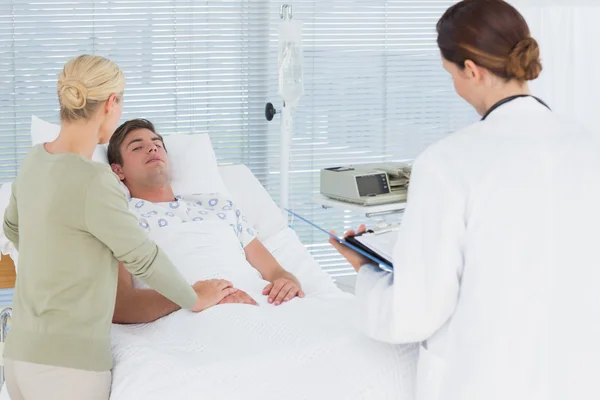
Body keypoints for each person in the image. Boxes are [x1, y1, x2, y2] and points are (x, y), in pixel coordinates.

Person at [329, 1, 600, 399]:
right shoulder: (588, 147)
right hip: (578, 378)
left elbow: (414, 314)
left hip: (483, 381)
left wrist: (367, 274)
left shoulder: (446, 163)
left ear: (470, 70)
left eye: (450, 73)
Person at [2, 55, 238, 400]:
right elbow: (143, 258)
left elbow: (12, 229)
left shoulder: (34, 160)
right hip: (68, 368)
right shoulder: (95, 180)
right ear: (112, 103)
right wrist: (194, 297)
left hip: (20, 356)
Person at [106, 118, 305, 323]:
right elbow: (121, 307)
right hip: (192, 316)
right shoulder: (120, 218)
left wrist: (287, 282)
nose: (152, 149)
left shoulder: (219, 205)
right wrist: (192, 296)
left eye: (157, 144)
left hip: (262, 303)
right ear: (118, 170)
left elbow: (275, 271)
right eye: (138, 147)